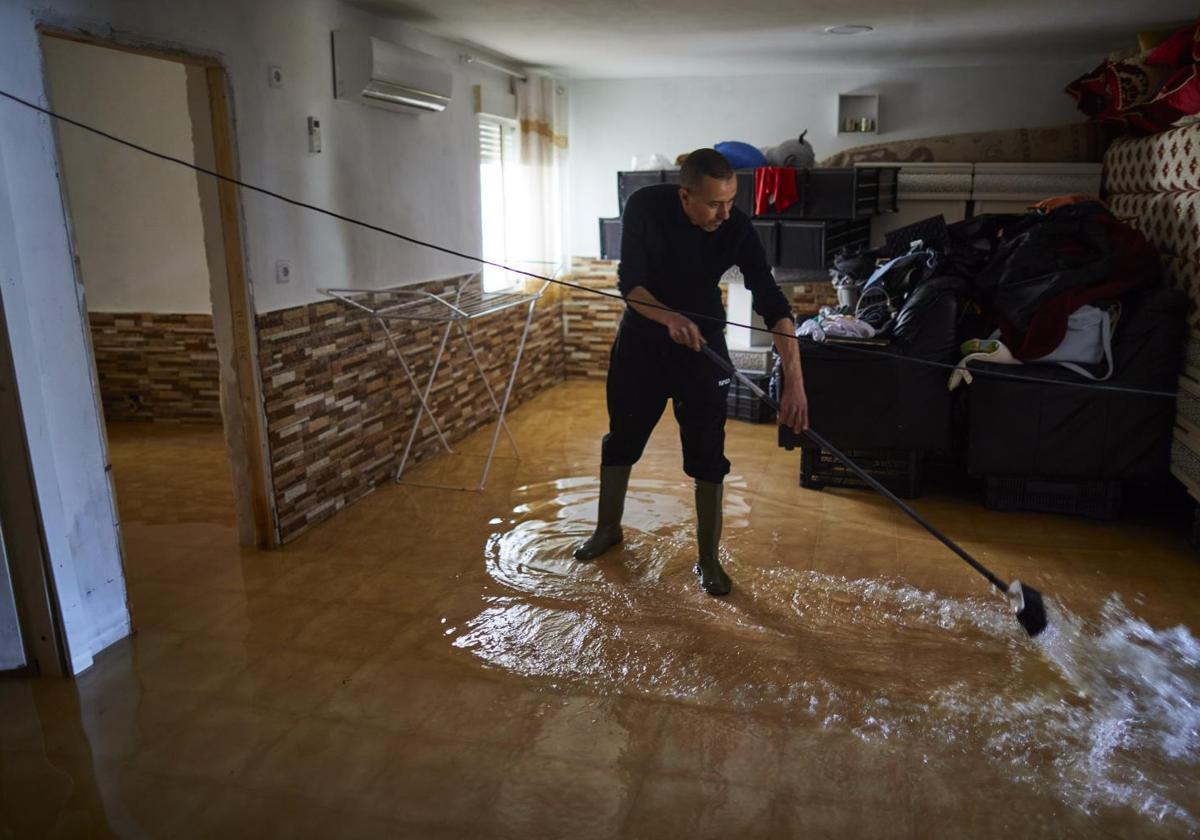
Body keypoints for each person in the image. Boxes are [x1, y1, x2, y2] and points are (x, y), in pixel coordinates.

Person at [574, 148, 809, 596]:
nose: (726, 213)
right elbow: (632, 285)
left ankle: (708, 560)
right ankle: (608, 530)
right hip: (643, 343)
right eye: (714, 204)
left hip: (703, 345)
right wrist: (669, 319)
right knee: (623, 437)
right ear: (685, 196)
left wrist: (794, 383)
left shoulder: (735, 226)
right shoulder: (645, 206)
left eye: (732, 201)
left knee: (707, 450)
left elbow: (772, 301)